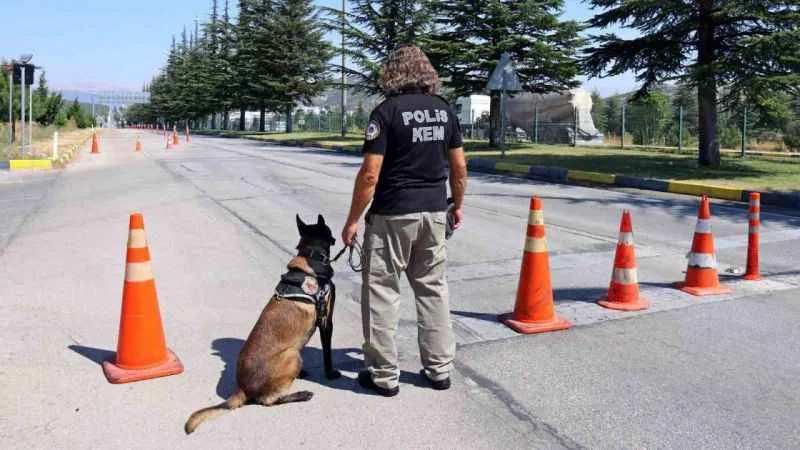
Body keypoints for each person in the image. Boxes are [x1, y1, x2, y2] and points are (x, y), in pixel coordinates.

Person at [341, 45, 468, 397]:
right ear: (426, 73)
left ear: (392, 73)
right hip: (434, 212)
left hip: (392, 215)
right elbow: (459, 167)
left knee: (382, 292)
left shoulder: (386, 113)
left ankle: (384, 375)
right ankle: (439, 369)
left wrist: (352, 221)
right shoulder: (445, 112)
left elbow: (370, 175)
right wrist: (457, 205)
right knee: (433, 289)